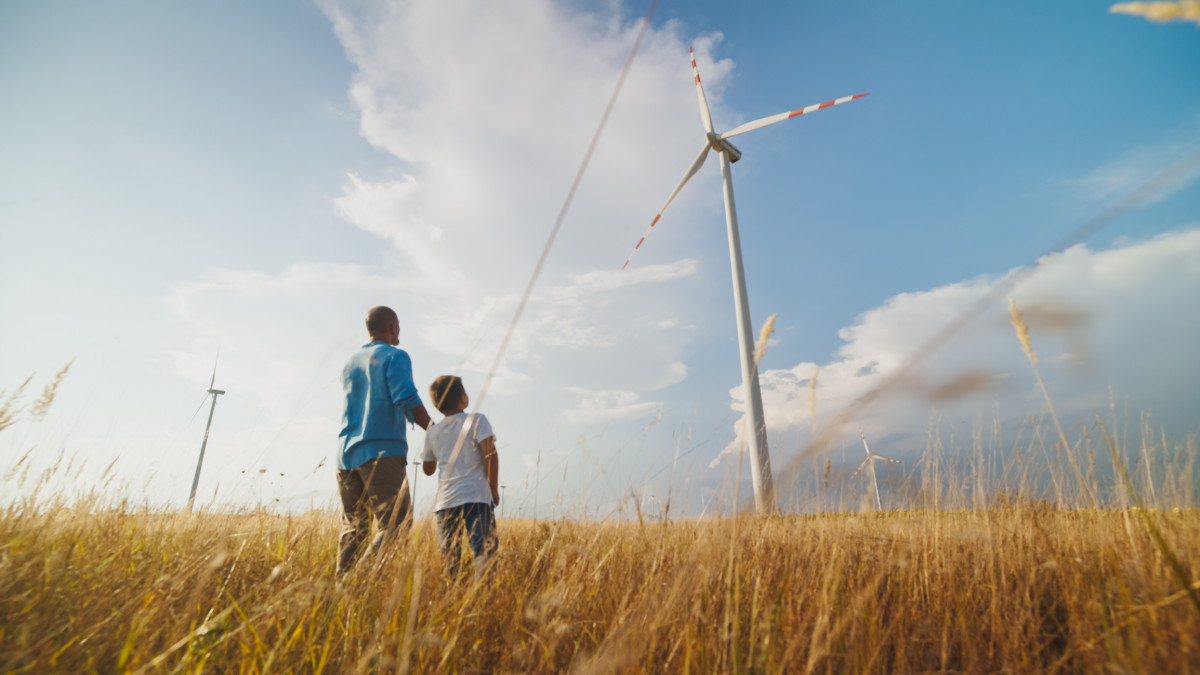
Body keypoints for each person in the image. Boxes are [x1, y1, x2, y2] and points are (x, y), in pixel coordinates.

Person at [335, 305, 432, 578]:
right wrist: (432, 428)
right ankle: (355, 583)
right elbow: (406, 398)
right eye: (398, 326)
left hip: (344, 455)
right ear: (392, 327)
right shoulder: (395, 356)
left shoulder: (350, 362)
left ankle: (342, 592)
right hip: (381, 452)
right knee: (397, 524)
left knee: (354, 529)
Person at [421, 375, 500, 579]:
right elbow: (490, 455)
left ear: (437, 405)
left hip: (445, 502)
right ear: (463, 399)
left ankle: (450, 598)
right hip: (477, 498)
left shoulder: (433, 432)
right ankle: (482, 598)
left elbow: (428, 469)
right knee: (484, 555)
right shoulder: (477, 420)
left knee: (449, 560)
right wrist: (493, 489)